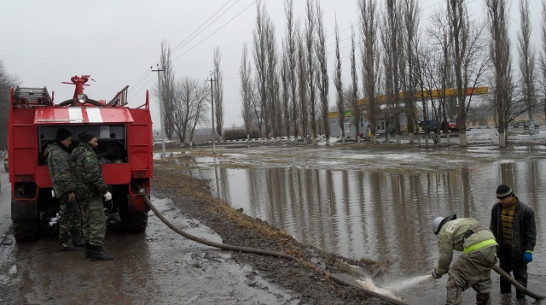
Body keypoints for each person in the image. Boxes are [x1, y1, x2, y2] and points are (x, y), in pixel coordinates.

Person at [431, 214, 498, 305]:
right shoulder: (463, 221)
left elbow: (445, 257)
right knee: (482, 278)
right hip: (492, 244)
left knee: (455, 278)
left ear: (438, 229)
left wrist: (439, 272)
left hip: (476, 247)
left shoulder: (444, 231)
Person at [70, 131, 113, 261]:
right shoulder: (88, 155)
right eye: (94, 141)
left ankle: (89, 249)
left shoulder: (76, 153)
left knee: (87, 222)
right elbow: (94, 176)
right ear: (88, 142)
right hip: (91, 194)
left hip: (81, 194)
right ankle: (96, 250)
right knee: (97, 222)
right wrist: (105, 191)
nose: (97, 143)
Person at [490, 184, 536, 300]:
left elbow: (531, 234)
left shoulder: (526, 211)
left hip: (519, 251)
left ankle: (521, 299)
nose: (501, 201)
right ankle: (505, 298)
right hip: (503, 249)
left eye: (503, 199)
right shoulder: (496, 209)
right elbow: (493, 229)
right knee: (504, 275)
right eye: (499, 199)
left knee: (520, 276)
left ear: (511, 196)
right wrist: (492, 246)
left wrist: (529, 250)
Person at [44, 128, 82, 251]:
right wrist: (69, 191)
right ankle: (66, 243)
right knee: (67, 216)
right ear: (62, 139)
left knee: (73, 214)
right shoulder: (58, 154)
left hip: (65, 189)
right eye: (69, 140)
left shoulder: (58, 151)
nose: (70, 142)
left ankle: (75, 241)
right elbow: (63, 174)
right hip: (66, 190)